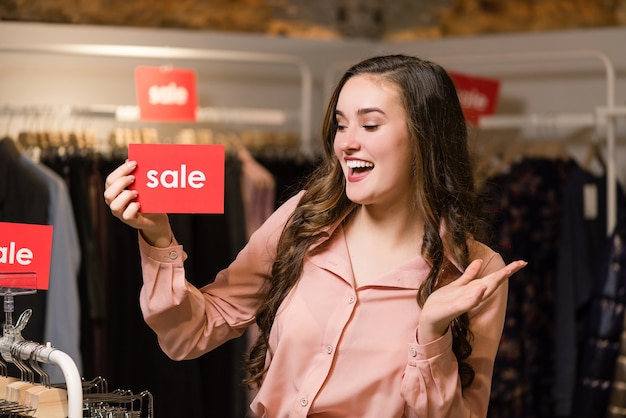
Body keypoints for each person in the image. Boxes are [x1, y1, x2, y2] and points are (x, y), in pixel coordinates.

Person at [104, 54, 527, 418]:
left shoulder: (473, 271)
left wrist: (432, 333)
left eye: (371, 125)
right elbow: (192, 332)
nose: (347, 143)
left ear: (425, 139)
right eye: (341, 126)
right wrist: (159, 237)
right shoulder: (304, 217)